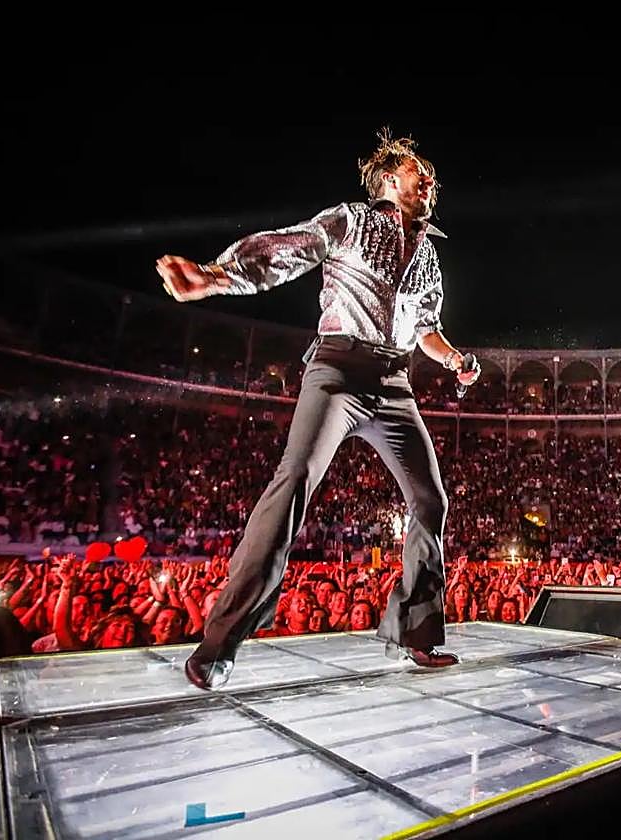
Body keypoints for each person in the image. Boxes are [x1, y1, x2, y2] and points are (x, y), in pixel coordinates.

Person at [156, 131, 480, 689]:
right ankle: (220, 643)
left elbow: (427, 327)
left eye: (434, 179)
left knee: (430, 499)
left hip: (395, 383)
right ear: (389, 179)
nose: (431, 184)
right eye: (419, 174)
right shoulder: (352, 221)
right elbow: (288, 247)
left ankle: (418, 636)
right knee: (296, 478)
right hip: (337, 371)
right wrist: (214, 276)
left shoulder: (429, 255)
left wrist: (454, 360)